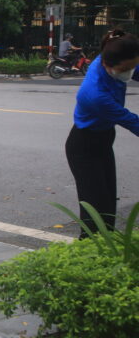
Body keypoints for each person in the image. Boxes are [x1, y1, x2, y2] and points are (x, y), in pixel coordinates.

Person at [65, 28, 139, 237]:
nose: (131, 72)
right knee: (94, 207)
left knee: (107, 202)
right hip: (84, 146)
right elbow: (132, 121)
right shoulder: (94, 94)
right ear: (108, 65)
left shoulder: (115, 56)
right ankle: (87, 251)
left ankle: (107, 247)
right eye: (127, 68)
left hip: (104, 139)